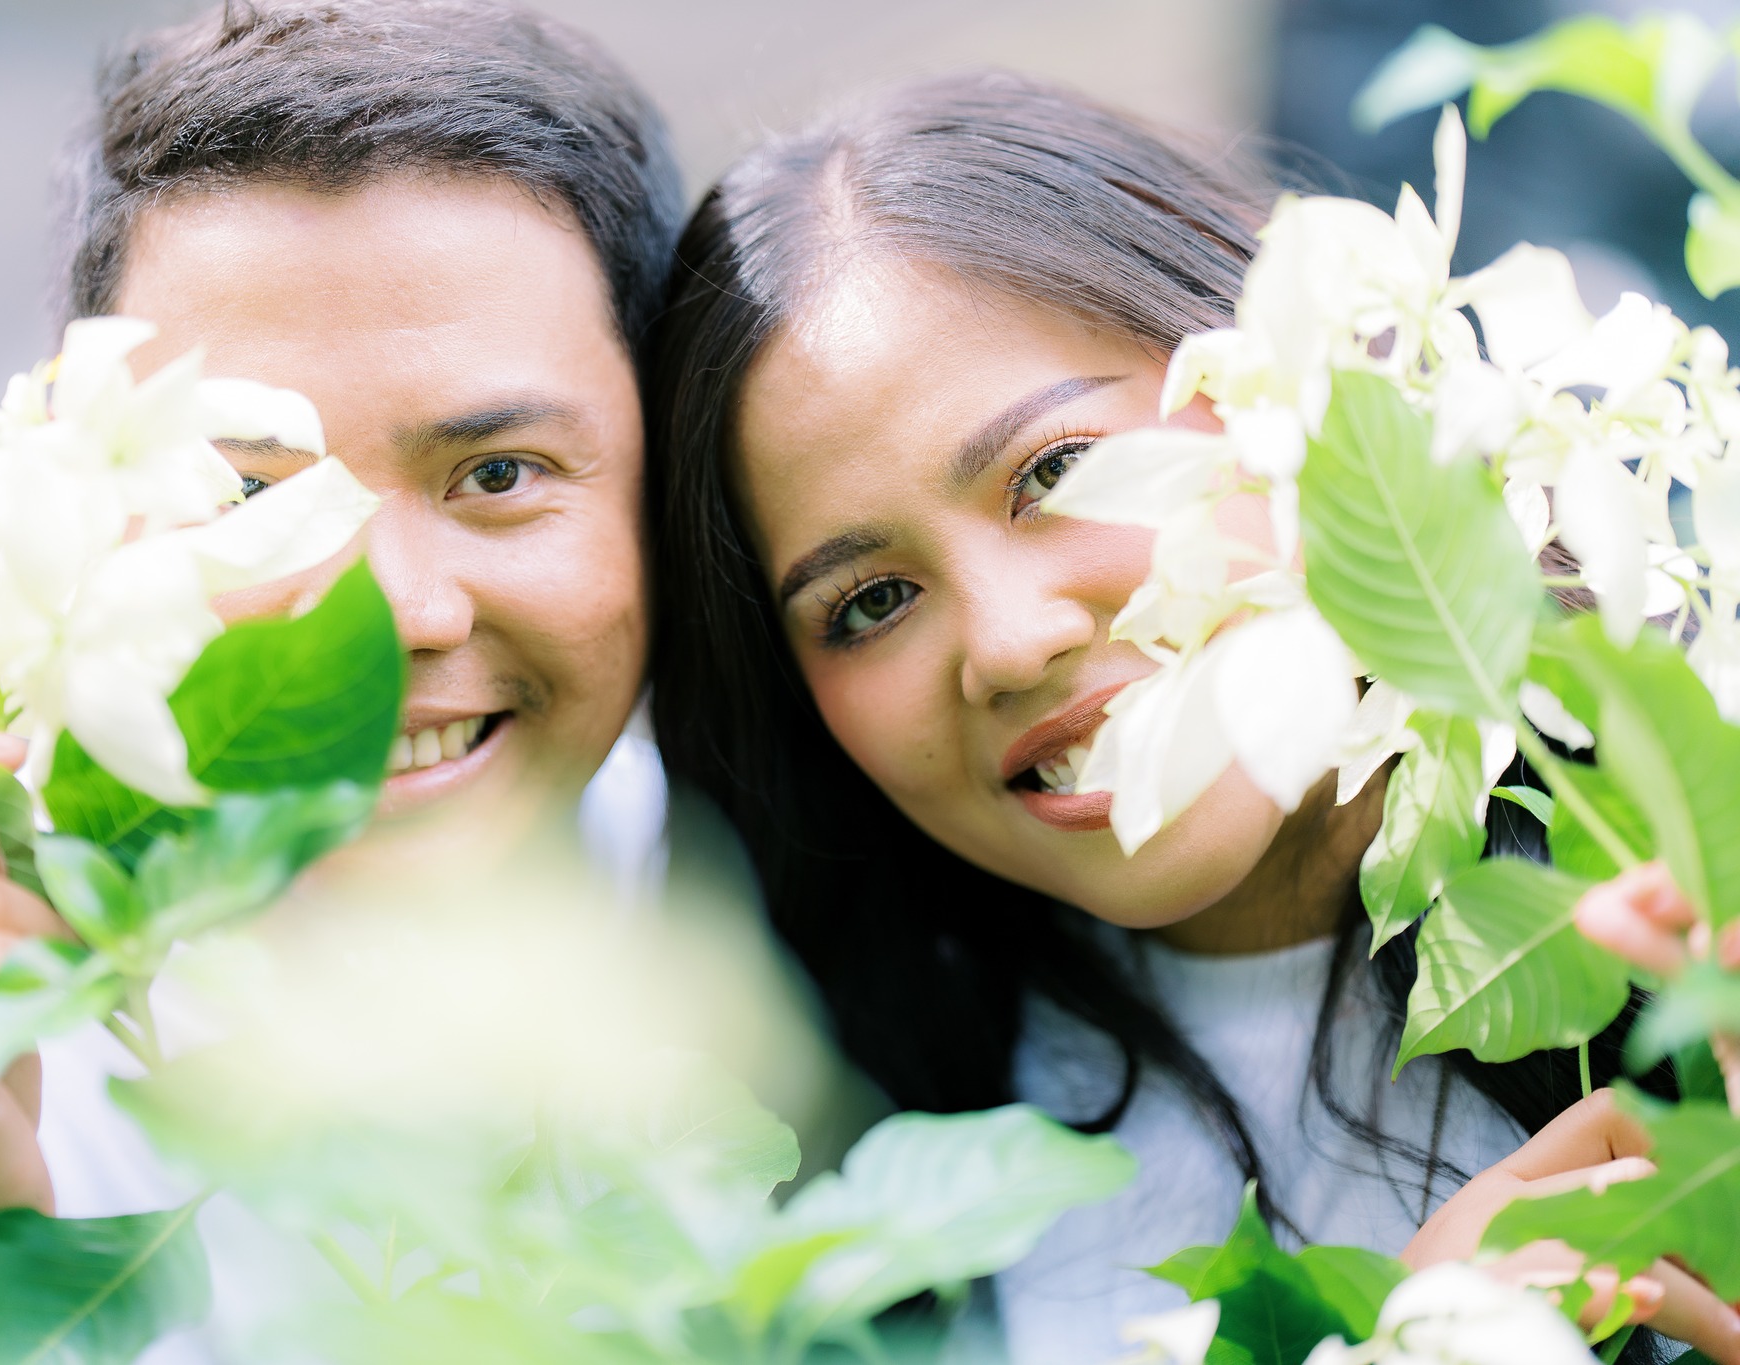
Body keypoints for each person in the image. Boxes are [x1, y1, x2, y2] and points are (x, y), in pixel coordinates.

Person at [644, 72, 1740, 1363]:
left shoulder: (1677, 890)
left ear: (1280, 374)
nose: (1004, 643)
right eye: (870, 601)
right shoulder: (848, 1185)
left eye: (1056, 471)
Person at [0, 2, 679, 1360]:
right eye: (243, 487)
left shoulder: (805, 875)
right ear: (61, 482)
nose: (391, 612)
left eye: (497, 475)